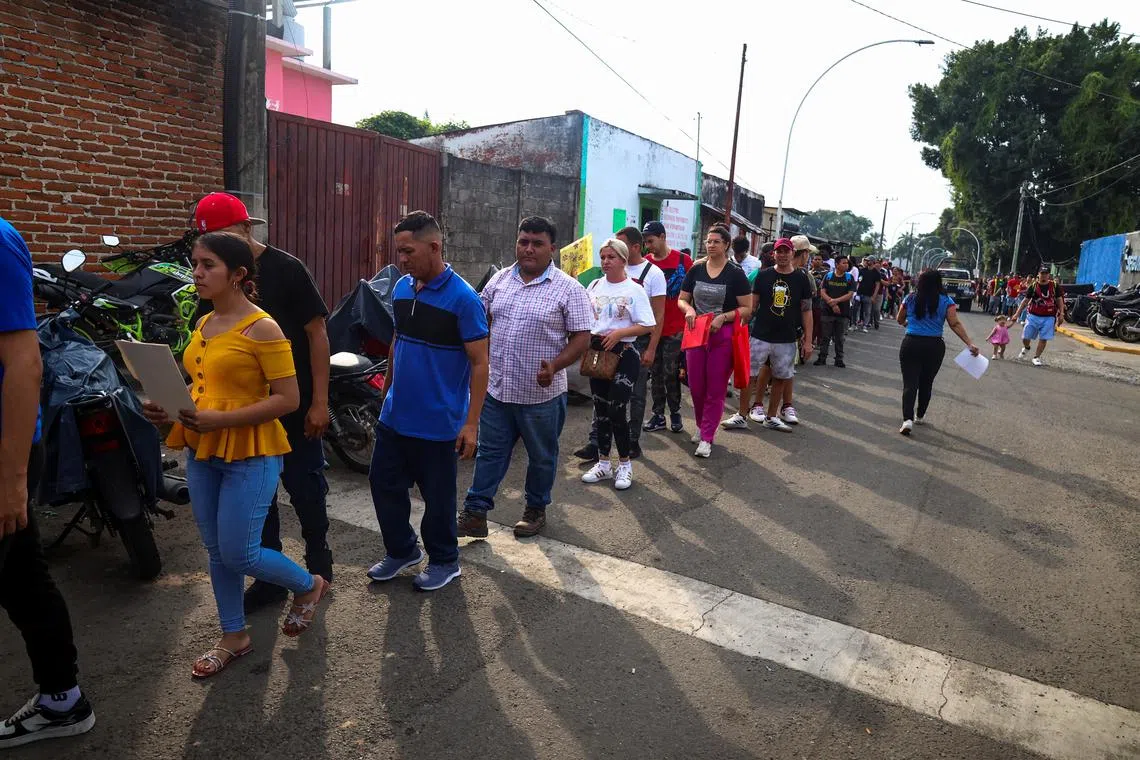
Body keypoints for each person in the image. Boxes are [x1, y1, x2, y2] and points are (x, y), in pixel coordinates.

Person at [148, 232, 328, 678]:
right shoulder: (204, 323)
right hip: (202, 449)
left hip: (251, 452)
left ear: (237, 275)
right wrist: (168, 407)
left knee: (241, 553)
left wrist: (221, 420)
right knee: (216, 550)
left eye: (208, 264)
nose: (197, 273)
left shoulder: (263, 328)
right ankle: (234, 635)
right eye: (195, 263)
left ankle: (308, 584)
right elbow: (202, 384)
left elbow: (288, 399)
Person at [191, 192, 333, 612]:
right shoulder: (213, 278)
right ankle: (271, 580)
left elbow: (317, 334)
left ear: (245, 227)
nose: (205, 263)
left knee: (306, 487)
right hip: (243, 414)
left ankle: (319, 565)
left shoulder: (287, 269)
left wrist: (320, 401)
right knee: (258, 502)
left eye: (224, 235)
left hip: (292, 405)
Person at [0, 218, 95, 747]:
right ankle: (62, 701)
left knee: (22, 577)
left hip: (3, 453)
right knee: (22, 579)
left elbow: (24, 362)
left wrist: (12, 480)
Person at [459, 216, 592, 539]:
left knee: (541, 457)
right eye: (523, 242)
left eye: (537, 243)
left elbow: (582, 337)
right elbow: (479, 319)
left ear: (552, 248)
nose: (528, 249)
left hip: (542, 396)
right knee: (490, 453)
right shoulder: (500, 280)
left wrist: (556, 366)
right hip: (498, 390)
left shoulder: (569, 289)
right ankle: (475, 513)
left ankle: (535, 509)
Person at [573, 227, 665, 461]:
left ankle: (625, 461)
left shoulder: (635, 288)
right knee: (601, 410)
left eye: (611, 257)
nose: (605, 261)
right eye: (603, 257)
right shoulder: (594, 286)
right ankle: (602, 460)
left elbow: (649, 324)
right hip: (597, 354)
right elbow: (585, 316)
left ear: (623, 259)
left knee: (617, 409)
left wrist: (620, 333)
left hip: (624, 353)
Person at [677, 225, 752, 456]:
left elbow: (747, 308)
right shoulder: (696, 270)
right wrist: (689, 309)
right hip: (696, 333)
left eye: (716, 241)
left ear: (726, 245)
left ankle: (707, 437)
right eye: (708, 241)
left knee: (715, 389)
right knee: (696, 386)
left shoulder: (735, 273)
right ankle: (702, 425)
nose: (711, 245)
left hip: (723, 336)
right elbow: (682, 299)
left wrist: (723, 317)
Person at [896, 269, 979, 436]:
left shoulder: (910, 298)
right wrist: (969, 343)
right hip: (934, 346)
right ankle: (920, 415)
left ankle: (907, 420)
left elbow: (899, 318)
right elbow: (954, 324)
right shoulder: (946, 301)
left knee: (910, 383)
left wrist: (908, 325)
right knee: (926, 382)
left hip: (911, 343)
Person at [744, 238, 814, 432]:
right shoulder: (763, 275)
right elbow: (752, 306)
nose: (782, 255)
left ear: (792, 253)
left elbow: (807, 311)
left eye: (786, 251)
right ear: (773, 254)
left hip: (787, 336)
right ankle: (744, 412)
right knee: (751, 374)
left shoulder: (802, 278)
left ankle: (772, 416)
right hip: (760, 334)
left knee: (781, 376)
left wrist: (808, 340)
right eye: (779, 251)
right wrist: (742, 327)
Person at [641, 221, 694, 435]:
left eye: (651, 241)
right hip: (652, 328)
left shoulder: (683, 261)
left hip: (676, 327)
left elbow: (692, 292)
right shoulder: (646, 263)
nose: (648, 246)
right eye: (645, 242)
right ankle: (658, 414)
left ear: (663, 237)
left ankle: (675, 412)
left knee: (671, 372)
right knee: (655, 372)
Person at [1011, 268, 1065, 366]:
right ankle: (1027, 347)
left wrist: (1061, 314)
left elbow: (1059, 300)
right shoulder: (1033, 286)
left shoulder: (1055, 286)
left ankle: (1036, 357)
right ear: (1038, 275)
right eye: (1042, 273)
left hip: (1049, 316)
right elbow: (1025, 301)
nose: (1044, 275)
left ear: (1048, 275)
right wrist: (1017, 314)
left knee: (1043, 338)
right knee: (1026, 337)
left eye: (1046, 273)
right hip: (1033, 315)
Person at [815, 254, 856, 367]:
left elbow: (850, 294)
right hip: (827, 311)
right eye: (844, 263)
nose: (846, 265)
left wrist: (835, 301)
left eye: (847, 263)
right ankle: (822, 358)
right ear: (837, 265)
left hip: (843, 313)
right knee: (825, 337)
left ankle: (839, 359)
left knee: (839, 338)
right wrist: (832, 303)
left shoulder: (849, 278)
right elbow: (822, 292)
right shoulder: (828, 276)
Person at [856, 257, 883, 331]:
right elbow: (859, 281)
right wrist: (856, 292)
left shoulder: (876, 273)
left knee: (867, 311)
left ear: (873, 262)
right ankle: (855, 324)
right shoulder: (862, 270)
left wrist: (874, 296)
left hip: (869, 295)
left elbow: (877, 285)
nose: (867, 261)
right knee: (856, 309)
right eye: (866, 260)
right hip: (859, 293)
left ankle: (865, 325)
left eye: (868, 260)